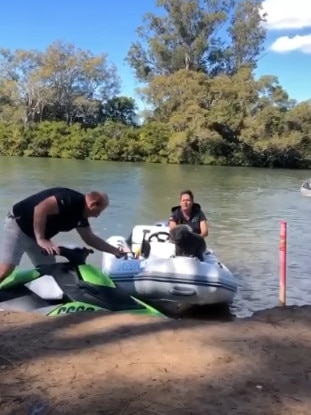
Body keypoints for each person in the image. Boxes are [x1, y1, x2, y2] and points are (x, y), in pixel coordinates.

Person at [0, 187, 127, 283]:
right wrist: (42, 239)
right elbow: (40, 209)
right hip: (18, 225)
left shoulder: (81, 216)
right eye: (98, 211)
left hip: (38, 236)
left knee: (49, 273)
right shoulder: (69, 199)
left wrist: (115, 251)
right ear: (92, 204)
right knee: (6, 269)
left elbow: (90, 238)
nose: (97, 215)